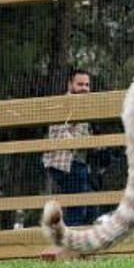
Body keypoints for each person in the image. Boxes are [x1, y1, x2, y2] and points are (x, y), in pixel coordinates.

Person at [42, 68, 103, 227]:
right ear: (70, 85)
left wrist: (95, 145)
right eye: (80, 84)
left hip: (78, 163)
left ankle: (78, 238)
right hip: (67, 163)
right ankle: (67, 239)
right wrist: (87, 143)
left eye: (87, 85)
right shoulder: (65, 103)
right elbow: (61, 133)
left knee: (90, 208)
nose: (84, 88)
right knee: (79, 208)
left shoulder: (83, 105)